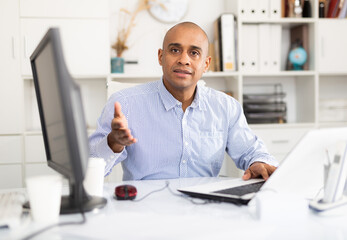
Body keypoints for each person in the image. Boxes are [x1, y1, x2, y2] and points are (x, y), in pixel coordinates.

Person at [89, 22, 278, 181]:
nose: (184, 60)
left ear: (206, 64)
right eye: (175, 50)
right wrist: (113, 143)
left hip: (205, 209)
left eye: (194, 53)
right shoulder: (124, 105)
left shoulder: (226, 107)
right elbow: (89, 168)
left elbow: (252, 151)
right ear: (161, 57)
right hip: (146, 211)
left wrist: (258, 163)